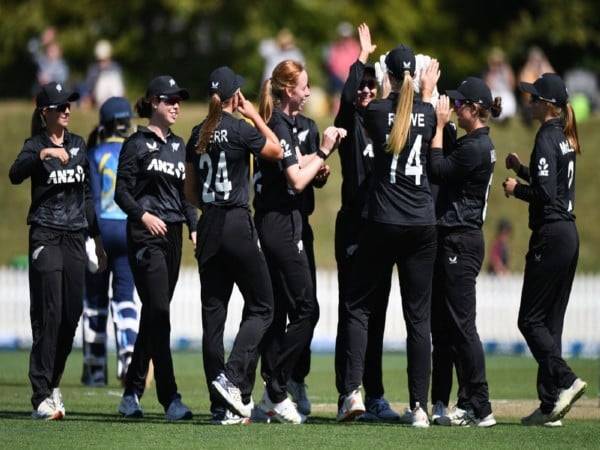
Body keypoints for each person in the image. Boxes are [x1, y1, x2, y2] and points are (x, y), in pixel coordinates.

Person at [336, 37, 440, 427]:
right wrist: (426, 93)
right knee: (418, 319)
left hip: (382, 221)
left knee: (359, 307)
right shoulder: (429, 113)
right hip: (421, 225)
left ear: (388, 77)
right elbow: (426, 124)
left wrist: (361, 59)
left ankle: (352, 392)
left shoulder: (378, 110)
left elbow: (350, 102)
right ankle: (419, 407)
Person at [184, 66, 282, 425]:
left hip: (209, 223)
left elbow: (190, 193)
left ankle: (218, 405)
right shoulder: (240, 129)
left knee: (213, 318)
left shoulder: (197, 133)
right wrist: (254, 114)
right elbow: (276, 150)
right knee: (263, 307)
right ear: (233, 97)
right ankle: (232, 378)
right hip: (237, 223)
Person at [252, 59, 345, 423]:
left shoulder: (289, 123)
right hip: (278, 223)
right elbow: (293, 180)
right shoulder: (277, 123)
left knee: (291, 308)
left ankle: (276, 388)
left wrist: (318, 165)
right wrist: (322, 151)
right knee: (307, 309)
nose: (309, 93)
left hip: (288, 221)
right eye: (305, 87)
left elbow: (298, 173)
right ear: (289, 90)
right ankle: (276, 388)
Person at [9, 81, 107, 419]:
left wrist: (95, 237)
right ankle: (39, 396)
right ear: (44, 112)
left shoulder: (79, 145)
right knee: (49, 311)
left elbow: (88, 196)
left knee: (71, 315)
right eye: (60, 105)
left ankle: (52, 384)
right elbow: (14, 174)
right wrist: (42, 155)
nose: (67, 109)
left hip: (75, 237)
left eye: (69, 104)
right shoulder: (34, 145)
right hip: (45, 235)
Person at [503, 73, 587, 426]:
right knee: (550, 323)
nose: (530, 102)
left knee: (530, 319)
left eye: (535, 98)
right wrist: (521, 168)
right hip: (569, 233)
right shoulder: (565, 138)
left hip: (551, 235)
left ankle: (566, 380)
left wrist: (513, 187)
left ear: (548, 106)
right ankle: (550, 404)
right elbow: (549, 182)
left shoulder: (546, 136)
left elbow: (543, 194)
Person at [115, 75, 197, 421]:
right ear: (152, 102)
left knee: (153, 314)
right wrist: (143, 215)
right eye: (168, 100)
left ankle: (131, 393)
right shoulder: (135, 144)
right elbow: (121, 193)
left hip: (173, 236)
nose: (176, 105)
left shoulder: (180, 145)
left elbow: (186, 194)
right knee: (160, 313)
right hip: (145, 237)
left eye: (178, 99)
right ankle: (170, 398)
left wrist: (194, 227)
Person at [427, 78, 503, 428]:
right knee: (454, 326)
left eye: (460, 105)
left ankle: (481, 406)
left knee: (462, 326)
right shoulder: (478, 143)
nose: (455, 108)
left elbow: (439, 169)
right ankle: (466, 402)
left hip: (461, 238)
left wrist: (440, 128)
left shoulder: (475, 147)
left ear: (475, 109)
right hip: (462, 237)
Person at [333, 23, 398, 423]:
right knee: (352, 312)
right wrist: (362, 58)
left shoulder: (388, 125)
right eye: (362, 86)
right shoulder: (350, 120)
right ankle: (349, 392)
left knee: (376, 315)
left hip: (383, 228)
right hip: (355, 226)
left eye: (373, 86)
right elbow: (345, 96)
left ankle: (373, 394)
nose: (367, 91)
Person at [81, 97, 139, 386]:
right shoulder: (135, 150)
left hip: (101, 228)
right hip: (128, 228)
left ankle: (95, 367)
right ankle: (128, 354)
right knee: (125, 297)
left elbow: (89, 198)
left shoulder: (95, 153)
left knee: (95, 300)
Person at [82, 40, 126, 107]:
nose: (102, 64)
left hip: (116, 101)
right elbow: (88, 90)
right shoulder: (93, 70)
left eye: (104, 60)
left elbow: (121, 91)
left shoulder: (116, 69)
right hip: (99, 102)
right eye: (100, 60)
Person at [518, 47, 554, 126]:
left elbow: (554, 83)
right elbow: (525, 89)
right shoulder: (527, 71)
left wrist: (543, 69)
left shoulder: (545, 68)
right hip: (531, 103)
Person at [484, 47, 516, 122]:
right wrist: (492, 71)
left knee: (507, 100)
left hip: (505, 93)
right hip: (495, 92)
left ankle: (503, 118)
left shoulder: (506, 70)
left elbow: (512, 85)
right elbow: (488, 86)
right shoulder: (490, 71)